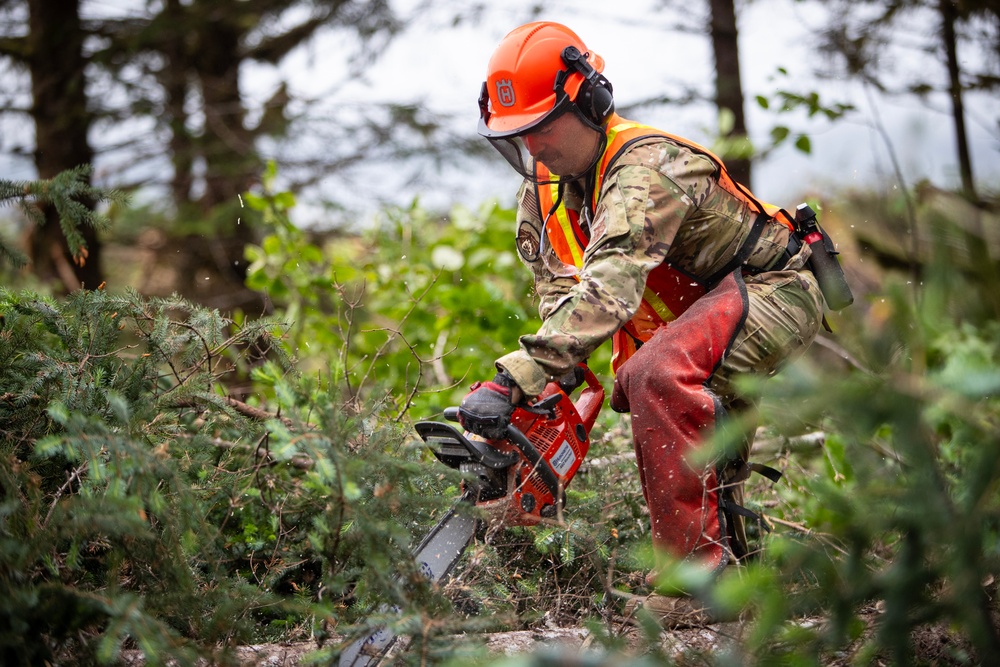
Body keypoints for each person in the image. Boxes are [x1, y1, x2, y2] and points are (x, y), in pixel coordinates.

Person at [457, 21, 825, 626]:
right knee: (651, 380)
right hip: (704, 306)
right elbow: (561, 300)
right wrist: (542, 398)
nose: (535, 149)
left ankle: (694, 582)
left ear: (589, 101)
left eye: (542, 128)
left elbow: (608, 291)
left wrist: (513, 378)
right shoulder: (546, 191)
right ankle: (728, 571)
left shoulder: (643, 169)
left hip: (774, 290)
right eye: (520, 136)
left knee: (656, 373)